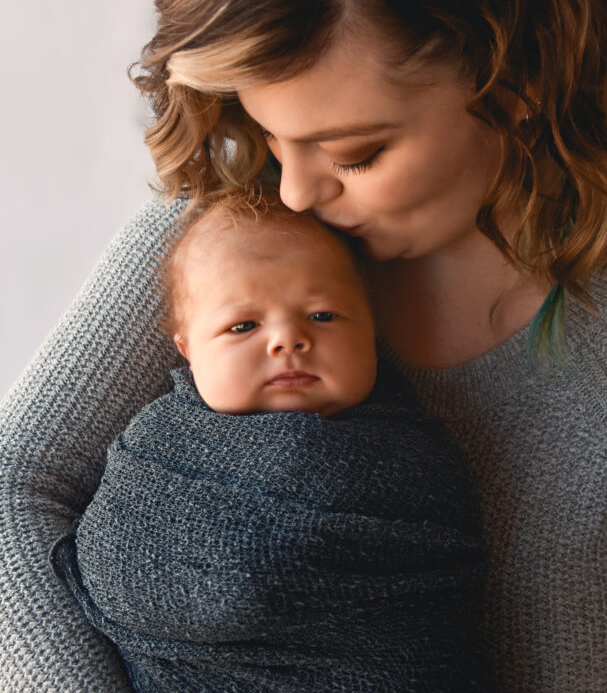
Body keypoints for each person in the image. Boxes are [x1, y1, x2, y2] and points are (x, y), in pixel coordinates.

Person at [0, 0, 607, 693]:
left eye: (355, 153)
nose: (297, 195)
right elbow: (11, 486)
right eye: (271, 134)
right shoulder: (229, 247)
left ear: (521, 77)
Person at [49, 193, 486, 692]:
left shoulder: (412, 458)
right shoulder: (153, 442)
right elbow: (107, 553)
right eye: (243, 326)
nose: (287, 339)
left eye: (323, 316)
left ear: (371, 329)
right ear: (189, 351)